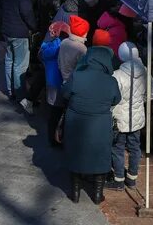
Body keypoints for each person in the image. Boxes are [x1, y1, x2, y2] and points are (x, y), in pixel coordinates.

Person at [61, 41, 121, 204]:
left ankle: (75, 193)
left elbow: (64, 93)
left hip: (76, 122)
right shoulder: (111, 81)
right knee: (100, 156)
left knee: (76, 154)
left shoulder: (77, 76)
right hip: (100, 124)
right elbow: (117, 99)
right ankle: (97, 194)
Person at [111, 42, 153, 191]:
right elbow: (152, 93)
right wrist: (139, 101)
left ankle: (118, 179)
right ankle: (132, 178)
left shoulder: (117, 75)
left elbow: (112, 99)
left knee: (117, 148)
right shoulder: (144, 71)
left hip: (120, 119)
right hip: (137, 118)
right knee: (135, 148)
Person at [0, 0, 37, 114]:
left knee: (9, 60)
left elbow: (0, 9)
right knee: (20, 64)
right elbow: (26, 11)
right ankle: (21, 95)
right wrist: (33, 26)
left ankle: (11, 91)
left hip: (7, 30)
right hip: (19, 31)